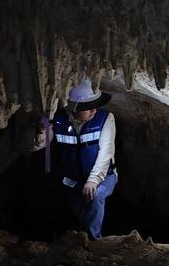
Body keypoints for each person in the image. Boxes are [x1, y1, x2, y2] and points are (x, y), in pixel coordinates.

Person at [38, 79, 118, 240]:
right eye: (88, 107)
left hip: (103, 176)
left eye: (95, 105)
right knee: (72, 204)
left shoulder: (105, 119)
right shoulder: (58, 120)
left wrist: (94, 180)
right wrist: (41, 132)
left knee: (95, 196)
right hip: (71, 178)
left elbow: (106, 152)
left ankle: (93, 241)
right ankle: (70, 238)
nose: (93, 110)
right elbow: (39, 146)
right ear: (74, 108)